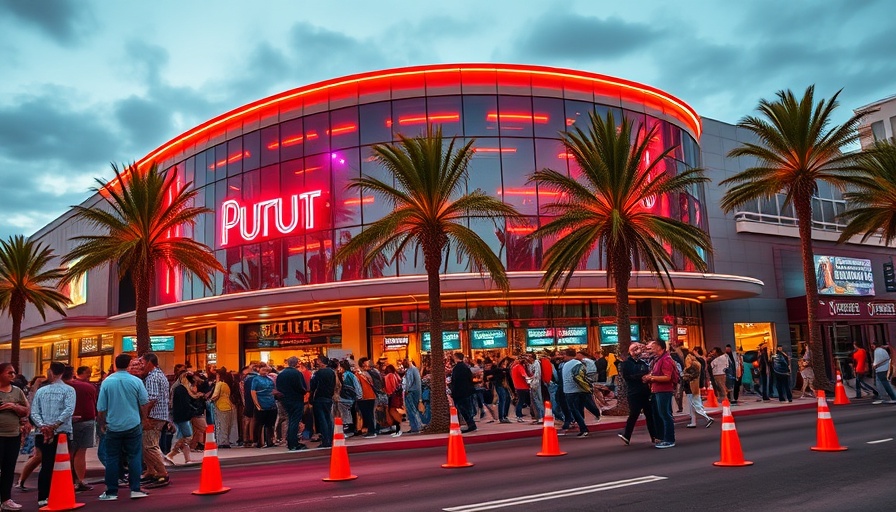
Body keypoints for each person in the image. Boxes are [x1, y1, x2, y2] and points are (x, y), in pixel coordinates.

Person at [97, 353, 150, 501]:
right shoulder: (136, 381)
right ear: (128, 365)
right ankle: (135, 488)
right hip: (133, 423)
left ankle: (111, 491)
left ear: (115, 365)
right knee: (134, 456)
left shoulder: (107, 382)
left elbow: (101, 407)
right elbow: (144, 402)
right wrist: (143, 419)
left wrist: (102, 424)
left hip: (113, 425)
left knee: (112, 458)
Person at [30, 362, 76, 507]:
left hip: (42, 433)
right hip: (61, 432)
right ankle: (59, 493)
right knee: (62, 465)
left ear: (50, 371)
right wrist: (55, 424)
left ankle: (43, 496)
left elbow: (34, 411)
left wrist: (43, 426)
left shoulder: (41, 391)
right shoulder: (69, 390)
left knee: (46, 465)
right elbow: (69, 410)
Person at [64, 365, 98, 492]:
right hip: (85, 421)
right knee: (80, 452)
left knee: (69, 451)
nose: (90, 375)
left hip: (66, 422)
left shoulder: (60, 388)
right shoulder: (88, 387)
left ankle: (69, 479)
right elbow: (95, 403)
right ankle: (79, 480)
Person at [0, 363, 29, 511]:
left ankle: (6, 498)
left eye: (14, 373)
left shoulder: (17, 391)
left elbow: (26, 410)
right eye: (9, 373)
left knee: (8, 468)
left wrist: (14, 407)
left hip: (13, 434)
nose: (12, 375)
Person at [140, 353, 170, 488]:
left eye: (142, 363)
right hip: (160, 415)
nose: (141, 366)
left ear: (149, 363)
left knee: (149, 446)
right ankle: (151, 471)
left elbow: (151, 399)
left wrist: (144, 417)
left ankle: (162, 473)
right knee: (146, 445)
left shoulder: (152, 377)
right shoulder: (160, 375)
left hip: (153, 416)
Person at [618, 343, 656, 445]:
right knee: (634, 414)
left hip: (645, 392)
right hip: (634, 392)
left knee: (650, 414)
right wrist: (642, 377)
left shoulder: (643, 363)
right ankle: (627, 435)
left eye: (639, 349)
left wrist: (646, 377)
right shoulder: (626, 364)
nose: (638, 351)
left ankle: (654, 436)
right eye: (636, 349)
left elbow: (648, 373)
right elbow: (628, 377)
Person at [645, 340, 676, 448]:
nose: (651, 348)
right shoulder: (658, 359)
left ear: (660, 347)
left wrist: (651, 378)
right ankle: (666, 438)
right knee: (664, 414)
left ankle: (669, 439)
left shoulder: (665, 359)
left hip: (664, 390)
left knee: (665, 415)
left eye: (653, 346)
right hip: (659, 390)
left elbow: (667, 377)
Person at [275, 356, 308, 451]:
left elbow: (278, 388)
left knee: (290, 420)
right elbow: (301, 387)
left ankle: (290, 442)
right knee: (295, 421)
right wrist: (304, 392)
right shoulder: (297, 373)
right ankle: (293, 442)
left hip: (285, 400)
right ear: (296, 363)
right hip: (296, 399)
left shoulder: (281, 374)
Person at [560, 349, 594, 438]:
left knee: (574, 410)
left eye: (564, 355)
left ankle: (583, 429)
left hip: (570, 391)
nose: (563, 357)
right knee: (579, 409)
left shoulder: (566, 365)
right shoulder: (579, 363)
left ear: (567, 355)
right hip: (580, 390)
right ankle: (582, 428)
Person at [166, 372, 196, 465]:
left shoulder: (177, 388)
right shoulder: (181, 389)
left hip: (178, 416)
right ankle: (170, 454)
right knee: (187, 436)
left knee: (184, 438)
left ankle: (187, 459)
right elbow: (183, 404)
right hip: (182, 417)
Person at [682, 348, 713, 428]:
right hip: (694, 387)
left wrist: (684, 375)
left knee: (695, 405)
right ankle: (694, 422)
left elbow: (689, 377)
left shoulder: (692, 366)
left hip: (691, 387)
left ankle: (707, 418)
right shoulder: (697, 363)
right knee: (694, 405)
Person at [309, 355, 336, 447]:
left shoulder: (317, 373)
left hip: (319, 397)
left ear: (321, 362)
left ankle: (326, 440)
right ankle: (331, 439)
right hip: (328, 397)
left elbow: (313, 386)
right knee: (328, 418)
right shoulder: (332, 372)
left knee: (322, 419)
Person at [449, 352, 477, 433]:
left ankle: (471, 425)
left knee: (464, 409)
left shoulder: (458, 368)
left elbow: (456, 381)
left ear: (456, 358)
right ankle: (471, 424)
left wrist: (453, 391)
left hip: (461, 393)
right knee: (466, 408)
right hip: (466, 391)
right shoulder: (465, 367)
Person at [251, 365, 277, 448]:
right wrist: (257, 404)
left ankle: (270, 441)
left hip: (271, 403)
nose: (265, 371)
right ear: (259, 369)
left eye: (266, 370)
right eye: (263, 369)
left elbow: (273, 389)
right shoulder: (256, 379)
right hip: (261, 402)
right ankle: (259, 441)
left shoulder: (270, 378)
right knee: (259, 423)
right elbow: (253, 392)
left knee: (270, 424)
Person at [210, 369, 236, 448]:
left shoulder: (219, 384)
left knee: (221, 425)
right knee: (228, 425)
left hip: (220, 406)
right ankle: (227, 441)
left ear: (219, 375)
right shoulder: (227, 385)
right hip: (229, 406)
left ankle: (222, 442)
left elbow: (215, 396)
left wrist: (209, 400)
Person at [354, 358, 378, 438]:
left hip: (364, 397)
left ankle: (371, 431)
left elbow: (357, 386)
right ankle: (372, 430)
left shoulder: (359, 374)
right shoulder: (370, 373)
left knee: (367, 414)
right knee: (370, 414)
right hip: (371, 395)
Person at [510, 356, 534, 423]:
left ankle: (520, 416)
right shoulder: (519, 367)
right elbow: (524, 375)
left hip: (518, 387)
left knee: (522, 401)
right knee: (522, 401)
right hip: (523, 387)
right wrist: (533, 377)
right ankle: (519, 416)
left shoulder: (514, 367)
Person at [402, 361, 423, 434]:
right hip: (412, 392)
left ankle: (416, 426)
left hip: (412, 392)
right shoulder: (412, 370)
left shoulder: (412, 370)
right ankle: (415, 426)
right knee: (412, 410)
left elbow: (413, 382)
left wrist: (407, 390)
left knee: (412, 410)